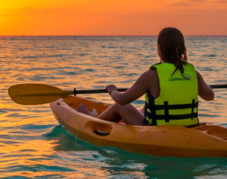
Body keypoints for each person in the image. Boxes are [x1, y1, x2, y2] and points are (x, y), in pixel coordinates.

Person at [79, 27, 214, 126]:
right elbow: (210, 96)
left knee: (120, 107)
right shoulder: (193, 74)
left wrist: (112, 90)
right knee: (145, 108)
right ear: (183, 48)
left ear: (160, 49)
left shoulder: (151, 75)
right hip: (188, 127)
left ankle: (92, 121)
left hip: (156, 130)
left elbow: (121, 100)